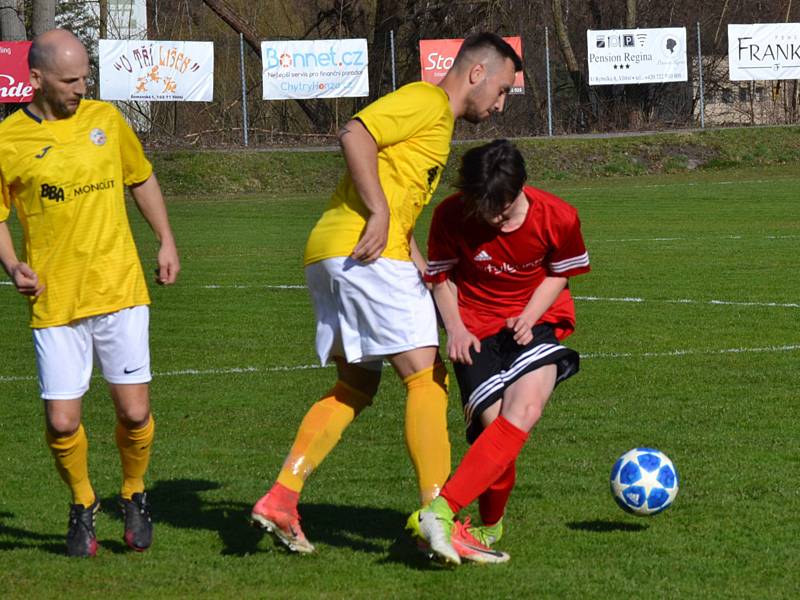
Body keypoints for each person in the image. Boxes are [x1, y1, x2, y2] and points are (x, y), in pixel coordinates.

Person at [250, 33, 523, 555]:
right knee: (426, 378)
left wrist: (425, 268)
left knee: (354, 388)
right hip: (367, 252)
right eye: (503, 89)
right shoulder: (427, 102)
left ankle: (282, 496)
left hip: (335, 252)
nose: (501, 103)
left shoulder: (437, 125)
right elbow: (355, 133)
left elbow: (400, 210)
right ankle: (440, 516)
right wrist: (377, 212)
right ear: (476, 73)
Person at [0, 29, 180, 558]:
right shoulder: (8, 140)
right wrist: (12, 264)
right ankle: (83, 503)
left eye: (86, 77)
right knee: (62, 420)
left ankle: (134, 493)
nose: (82, 87)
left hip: (119, 288)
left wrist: (166, 239)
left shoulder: (107, 120)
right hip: (54, 300)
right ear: (35, 79)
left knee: (133, 414)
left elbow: (141, 178)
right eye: (70, 79)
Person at [406, 139, 591, 565]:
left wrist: (530, 315)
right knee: (495, 438)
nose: (493, 218)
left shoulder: (558, 217)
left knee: (524, 412)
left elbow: (559, 274)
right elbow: (441, 277)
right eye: (483, 207)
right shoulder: (451, 214)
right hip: (474, 331)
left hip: (537, 323)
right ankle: (487, 529)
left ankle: (441, 513)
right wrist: (453, 328)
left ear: (521, 189)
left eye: (502, 210)